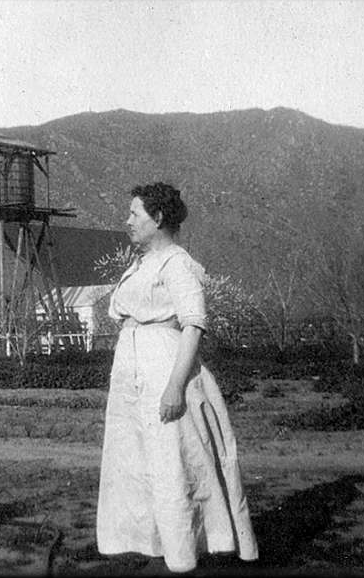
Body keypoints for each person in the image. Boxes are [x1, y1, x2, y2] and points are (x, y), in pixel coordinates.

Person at [96, 182, 258, 573]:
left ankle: (185, 552)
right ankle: (154, 544)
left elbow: (193, 325)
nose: (128, 221)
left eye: (135, 214)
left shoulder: (177, 264)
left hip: (164, 370)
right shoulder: (142, 264)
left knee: (173, 463)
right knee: (140, 462)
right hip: (133, 375)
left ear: (158, 218)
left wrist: (174, 388)